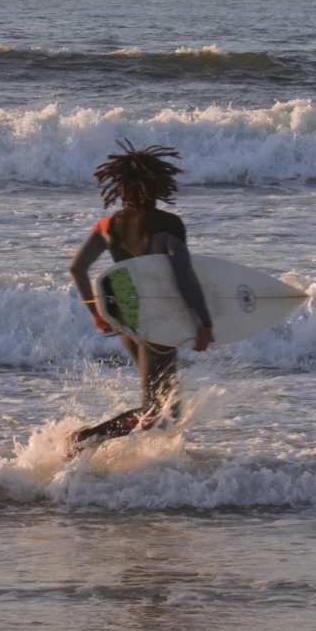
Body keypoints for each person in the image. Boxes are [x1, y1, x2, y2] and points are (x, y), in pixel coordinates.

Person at [67, 138, 214, 448]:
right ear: (159, 184)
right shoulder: (169, 225)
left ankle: (144, 469)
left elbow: (77, 269)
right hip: (157, 324)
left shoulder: (108, 224)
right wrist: (204, 323)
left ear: (121, 186)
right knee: (160, 413)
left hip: (125, 321)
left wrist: (96, 312)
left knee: (164, 409)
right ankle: (86, 439)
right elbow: (184, 277)